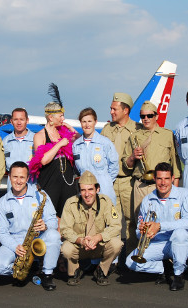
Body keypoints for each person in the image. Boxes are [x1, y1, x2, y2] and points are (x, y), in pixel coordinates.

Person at [0, 162, 62, 291]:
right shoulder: (2, 202)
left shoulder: (41, 195)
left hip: (37, 239)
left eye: (22, 177)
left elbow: (53, 221)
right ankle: (24, 271)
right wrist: (14, 247)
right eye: (15, 177)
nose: (18, 181)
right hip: (15, 243)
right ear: (10, 177)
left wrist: (45, 226)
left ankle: (47, 274)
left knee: (54, 235)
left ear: (28, 178)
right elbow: (1, 232)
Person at [125, 162, 188, 291]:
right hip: (158, 244)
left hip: (178, 243)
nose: (163, 183)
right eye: (159, 179)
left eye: (167, 179)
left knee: (180, 234)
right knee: (130, 262)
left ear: (173, 179)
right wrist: (142, 232)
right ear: (154, 179)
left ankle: (178, 275)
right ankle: (166, 268)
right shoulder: (147, 200)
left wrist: (160, 226)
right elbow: (138, 230)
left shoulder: (184, 194)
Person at [123, 101, 181, 233]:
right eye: (143, 116)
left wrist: (175, 188)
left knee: (165, 219)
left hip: (162, 185)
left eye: (149, 115)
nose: (146, 119)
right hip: (141, 186)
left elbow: (175, 162)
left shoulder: (167, 135)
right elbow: (127, 164)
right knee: (140, 223)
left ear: (157, 116)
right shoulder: (134, 136)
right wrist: (133, 156)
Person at [60, 171, 123, 286]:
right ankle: (75, 271)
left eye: (90, 189)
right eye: (83, 190)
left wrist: (98, 237)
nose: (87, 194)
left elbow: (116, 225)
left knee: (117, 244)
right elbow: (65, 229)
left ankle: (101, 270)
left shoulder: (105, 201)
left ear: (97, 189)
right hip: (80, 246)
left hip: (98, 245)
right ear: (79, 191)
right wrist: (81, 240)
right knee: (66, 249)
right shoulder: (71, 203)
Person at [101, 93, 143, 257]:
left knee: (131, 221)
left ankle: (131, 256)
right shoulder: (107, 129)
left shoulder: (137, 129)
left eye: (114, 109)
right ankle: (114, 257)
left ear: (126, 110)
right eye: (111, 108)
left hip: (129, 182)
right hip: (109, 182)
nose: (111, 112)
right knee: (112, 222)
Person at [29, 99, 79, 217]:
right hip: (50, 183)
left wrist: (71, 129)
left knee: (67, 217)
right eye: (61, 116)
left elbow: (80, 141)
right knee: (50, 217)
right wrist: (59, 144)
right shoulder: (39, 136)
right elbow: (43, 160)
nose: (63, 119)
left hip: (67, 183)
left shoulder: (63, 133)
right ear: (51, 118)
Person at [72, 108, 119, 204]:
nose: (87, 125)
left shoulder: (105, 143)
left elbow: (114, 166)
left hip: (104, 190)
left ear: (95, 122)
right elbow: (77, 169)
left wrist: (106, 182)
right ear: (80, 123)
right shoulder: (76, 145)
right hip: (86, 193)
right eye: (84, 121)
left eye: (90, 121)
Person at [2, 108, 35, 183]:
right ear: (11, 121)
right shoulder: (6, 141)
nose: (19, 122)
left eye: (22, 119)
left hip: (31, 184)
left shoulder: (35, 139)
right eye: (16, 119)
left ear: (27, 120)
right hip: (12, 186)